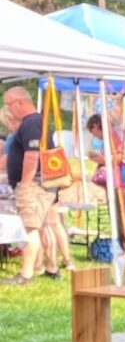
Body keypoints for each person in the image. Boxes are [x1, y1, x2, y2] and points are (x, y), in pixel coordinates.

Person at [1, 86, 60, 285]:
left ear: (20, 102)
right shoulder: (36, 121)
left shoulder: (31, 123)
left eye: (9, 104)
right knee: (43, 226)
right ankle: (52, 268)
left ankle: (26, 274)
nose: (8, 109)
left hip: (33, 185)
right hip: (41, 184)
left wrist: (25, 183)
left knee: (29, 228)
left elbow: (32, 155)